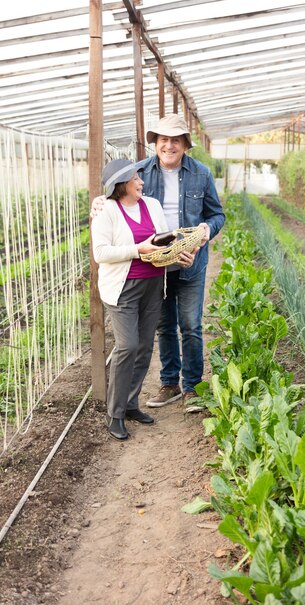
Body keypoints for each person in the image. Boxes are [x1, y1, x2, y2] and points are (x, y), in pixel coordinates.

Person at [92, 114, 225, 413]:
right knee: (165, 326)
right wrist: (97, 202)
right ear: (155, 143)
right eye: (163, 139)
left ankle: (192, 387)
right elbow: (114, 196)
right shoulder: (140, 173)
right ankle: (169, 384)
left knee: (190, 325)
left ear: (185, 145)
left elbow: (217, 214)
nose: (169, 145)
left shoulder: (201, 174)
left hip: (191, 261)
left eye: (175, 140)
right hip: (157, 265)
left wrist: (207, 230)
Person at [91, 158, 195, 440]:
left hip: (152, 285)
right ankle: (114, 414)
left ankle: (130, 404)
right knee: (127, 346)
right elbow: (101, 253)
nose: (141, 182)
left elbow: (164, 241)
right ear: (122, 184)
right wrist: (138, 249)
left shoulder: (152, 206)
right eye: (136, 178)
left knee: (144, 347)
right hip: (122, 288)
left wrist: (180, 253)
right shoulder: (107, 211)